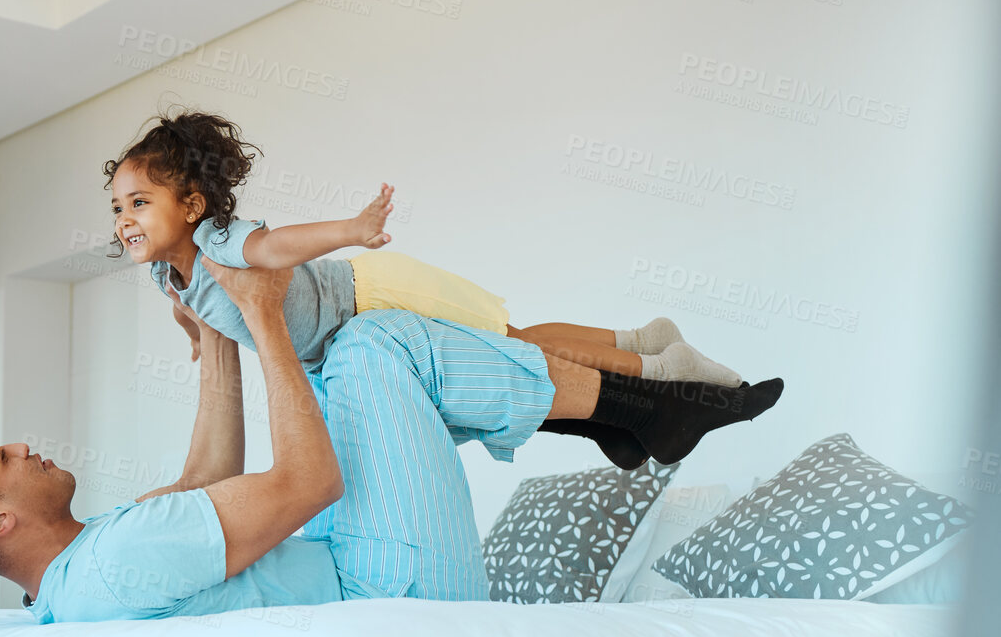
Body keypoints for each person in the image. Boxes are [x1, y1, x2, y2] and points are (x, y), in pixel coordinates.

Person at [0, 261, 783, 622]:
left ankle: (628, 406)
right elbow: (308, 481)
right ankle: (637, 406)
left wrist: (220, 345)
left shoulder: (78, 580)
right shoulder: (119, 564)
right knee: (368, 344)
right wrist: (266, 317)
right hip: (392, 593)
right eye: (4, 455)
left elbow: (207, 478)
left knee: (325, 379)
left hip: (356, 567)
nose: (27, 447)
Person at [104, 111, 745, 469]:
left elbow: (278, 247)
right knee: (511, 347)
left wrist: (352, 229)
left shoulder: (220, 242)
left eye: (139, 202)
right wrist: (193, 332)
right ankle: (644, 346)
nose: (124, 219)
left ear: (191, 205)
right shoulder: (170, 272)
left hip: (373, 295)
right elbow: (192, 308)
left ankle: (658, 363)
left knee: (509, 344)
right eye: (117, 209)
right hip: (346, 337)